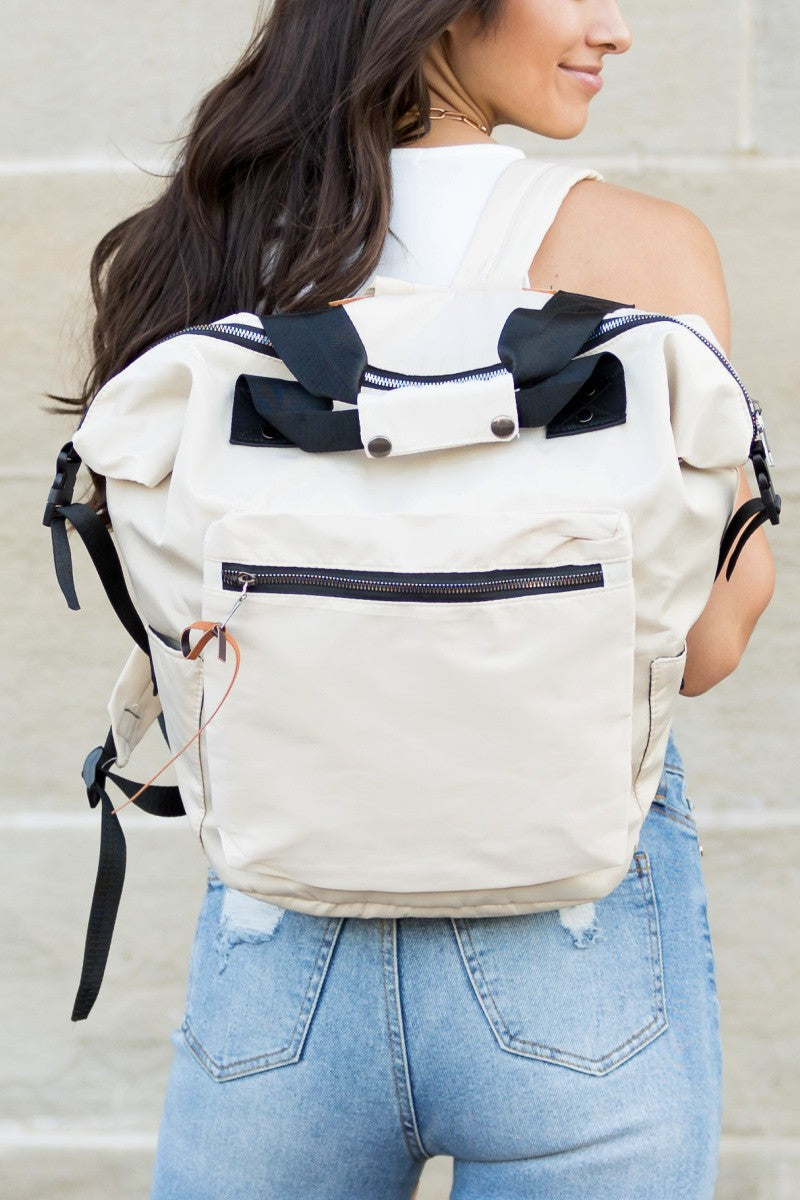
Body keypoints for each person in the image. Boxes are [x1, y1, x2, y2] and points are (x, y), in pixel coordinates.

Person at [67, 2, 775, 1197]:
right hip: (573, 927)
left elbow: (176, 625)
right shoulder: (635, 253)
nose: (615, 29)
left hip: (282, 931)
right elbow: (702, 648)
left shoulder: (199, 247)